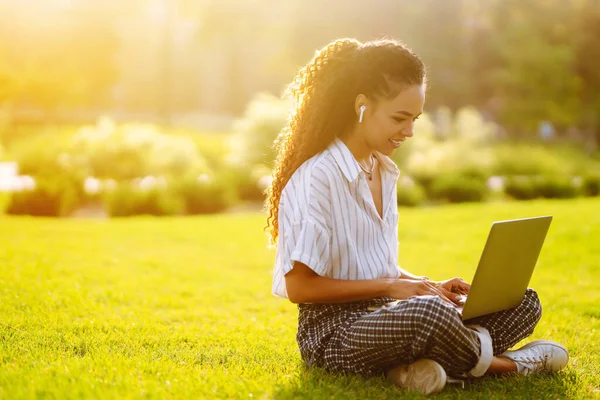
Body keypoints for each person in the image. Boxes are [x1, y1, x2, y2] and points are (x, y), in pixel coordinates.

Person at [265, 38, 568, 395]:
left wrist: (428, 286)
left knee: (520, 299)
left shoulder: (381, 170)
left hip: (389, 316)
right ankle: (510, 365)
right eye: (399, 118)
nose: (409, 131)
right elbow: (300, 288)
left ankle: (424, 368)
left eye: (415, 119)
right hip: (334, 334)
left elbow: (373, 265)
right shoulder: (317, 177)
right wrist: (394, 288)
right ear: (362, 106)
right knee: (427, 315)